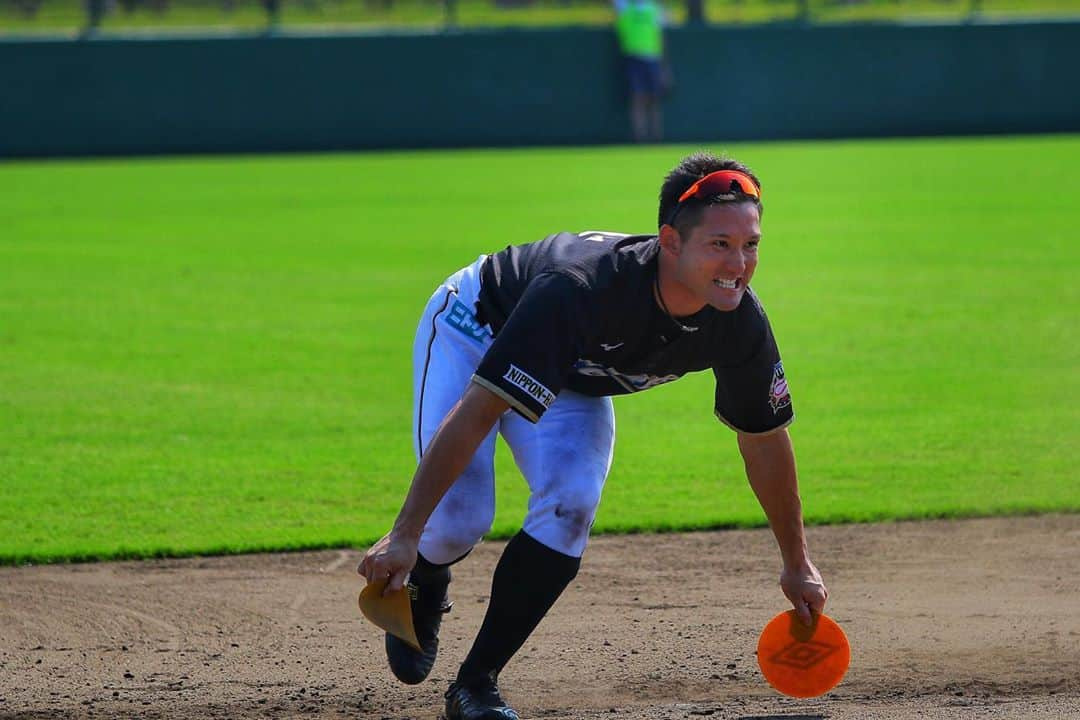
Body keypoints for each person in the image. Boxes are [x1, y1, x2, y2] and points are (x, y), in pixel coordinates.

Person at [358, 152, 829, 720]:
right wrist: (406, 533)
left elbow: (763, 439)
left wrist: (797, 562)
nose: (740, 263)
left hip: (575, 371)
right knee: (457, 521)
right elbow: (481, 408)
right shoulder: (581, 290)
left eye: (750, 244)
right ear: (671, 243)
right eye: (720, 244)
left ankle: (475, 685)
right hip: (478, 327)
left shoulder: (738, 322)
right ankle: (428, 577)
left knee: (571, 506)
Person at [613, 0, 669, 143]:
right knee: (638, 98)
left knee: (654, 99)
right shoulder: (625, 7)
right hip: (633, 58)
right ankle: (640, 137)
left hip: (653, 58)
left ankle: (656, 137)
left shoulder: (654, 8)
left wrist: (664, 67)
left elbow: (661, 36)